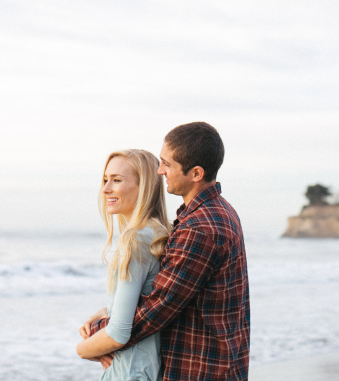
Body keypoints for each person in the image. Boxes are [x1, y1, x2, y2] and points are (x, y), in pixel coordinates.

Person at [81, 122, 251, 381]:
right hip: (218, 367)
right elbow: (157, 296)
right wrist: (109, 311)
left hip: (199, 371)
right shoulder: (215, 214)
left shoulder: (200, 228)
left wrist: (92, 338)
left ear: (195, 173)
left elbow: (157, 309)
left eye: (167, 164)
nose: (160, 171)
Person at [76, 149, 172, 380]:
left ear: (144, 187)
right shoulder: (161, 233)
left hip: (129, 372)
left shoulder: (135, 240)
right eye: (105, 180)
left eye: (117, 180)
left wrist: (84, 350)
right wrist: (107, 310)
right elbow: (148, 302)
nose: (106, 189)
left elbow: (118, 332)